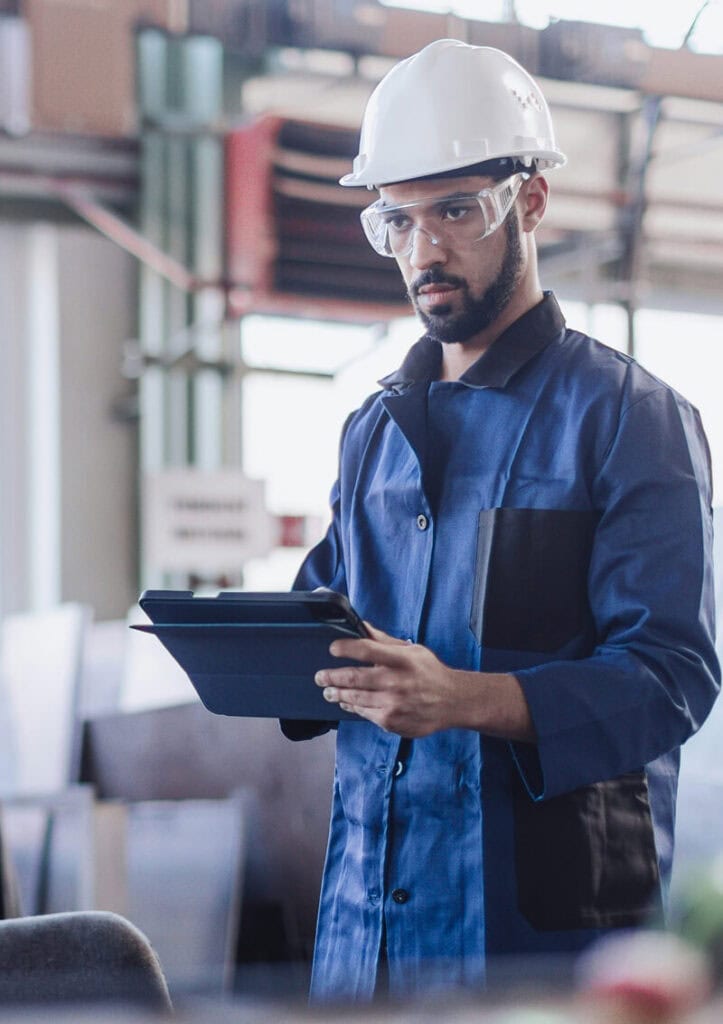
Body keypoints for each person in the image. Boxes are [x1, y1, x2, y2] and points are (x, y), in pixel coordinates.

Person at [281, 38, 720, 1004]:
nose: (424, 249)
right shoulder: (372, 432)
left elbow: (672, 679)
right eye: (396, 220)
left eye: (455, 211)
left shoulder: (630, 419)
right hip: (369, 928)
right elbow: (326, 618)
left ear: (528, 202)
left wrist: (465, 699)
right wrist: (246, 646)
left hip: (540, 936)